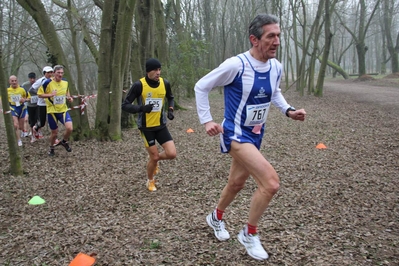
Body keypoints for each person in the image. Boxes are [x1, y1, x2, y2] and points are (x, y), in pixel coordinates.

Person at [194, 14, 306, 261]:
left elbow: (274, 92)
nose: (276, 41)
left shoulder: (276, 66)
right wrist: (207, 120)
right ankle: (249, 233)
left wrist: (288, 110)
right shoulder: (236, 65)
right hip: (234, 134)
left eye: (278, 35)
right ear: (254, 39)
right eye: (270, 36)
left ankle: (216, 217)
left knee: (236, 184)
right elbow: (201, 86)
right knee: (271, 183)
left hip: (256, 134)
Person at [122, 58, 176, 192]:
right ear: (148, 72)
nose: (158, 72)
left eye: (159, 69)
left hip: (161, 125)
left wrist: (170, 109)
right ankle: (150, 181)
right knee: (155, 156)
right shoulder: (139, 85)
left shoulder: (165, 83)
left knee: (172, 154)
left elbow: (171, 97)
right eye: (155, 70)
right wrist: (141, 108)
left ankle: (154, 159)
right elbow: (125, 105)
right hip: (146, 128)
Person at [37, 65, 73, 156]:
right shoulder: (47, 83)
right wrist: (50, 95)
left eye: (61, 73)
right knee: (54, 133)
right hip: (52, 111)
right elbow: (39, 95)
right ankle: (52, 148)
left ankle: (64, 141)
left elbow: (66, 92)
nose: (60, 75)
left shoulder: (65, 82)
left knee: (70, 128)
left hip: (63, 110)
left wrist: (69, 97)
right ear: (54, 73)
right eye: (58, 73)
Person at [30, 66, 54, 139]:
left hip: (51, 104)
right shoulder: (41, 81)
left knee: (53, 120)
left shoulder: (53, 80)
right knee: (42, 122)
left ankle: (54, 136)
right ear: (44, 73)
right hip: (42, 104)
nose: (50, 74)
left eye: (51, 72)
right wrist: (40, 94)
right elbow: (31, 90)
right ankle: (36, 128)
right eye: (48, 72)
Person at [7, 75, 28, 147]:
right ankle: (19, 140)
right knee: (15, 125)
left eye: (15, 81)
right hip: (13, 108)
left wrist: (24, 100)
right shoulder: (7, 90)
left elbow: (28, 98)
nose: (14, 82)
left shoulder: (22, 89)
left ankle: (22, 131)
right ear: (9, 82)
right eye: (12, 81)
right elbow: (2, 100)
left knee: (21, 127)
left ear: (17, 81)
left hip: (21, 108)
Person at [22, 72, 39, 143]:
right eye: (31, 79)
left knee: (38, 119)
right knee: (31, 121)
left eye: (34, 78)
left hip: (38, 105)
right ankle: (33, 136)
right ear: (29, 79)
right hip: (30, 105)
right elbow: (22, 93)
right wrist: (25, 99)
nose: (32, 80)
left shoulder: (38, 84)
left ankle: (37, 132)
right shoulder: (25, 85)